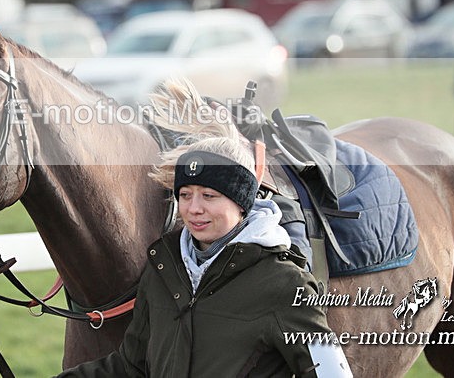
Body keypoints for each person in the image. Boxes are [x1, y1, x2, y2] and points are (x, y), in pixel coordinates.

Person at [56, 81, 352, 377]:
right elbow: (132, 366)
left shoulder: (286, 284)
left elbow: (331, 374)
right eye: (185, 195)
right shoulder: (163, 270)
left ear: (241, 203)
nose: (194, 208)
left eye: (209, 196)